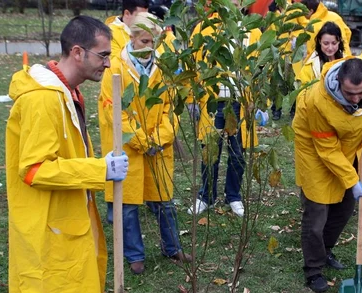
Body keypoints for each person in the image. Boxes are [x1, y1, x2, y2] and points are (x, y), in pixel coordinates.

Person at [5, 16, 128, 293]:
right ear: (77, 52)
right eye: (102, 55)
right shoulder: (43, 100)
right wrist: (99, 169)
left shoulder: (68, 93)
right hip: (47, 233)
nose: (107, 63)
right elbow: (33, 169)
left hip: (64, 226)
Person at [98, 12, 191, 276]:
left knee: (164, 200)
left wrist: (159, 139)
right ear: (132, 38)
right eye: (145, 41)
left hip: (159, 148)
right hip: (127, 147)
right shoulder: (115, 68)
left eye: (154, 42)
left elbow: (171, 110)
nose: (149, 47)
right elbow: (114, 111)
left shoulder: (163, 68)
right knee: (126, 205)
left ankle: (172, 248)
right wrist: (141, 140)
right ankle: (135, 255)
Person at [293, 42, 362, 293]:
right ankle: (313, 269)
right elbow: (327, 150)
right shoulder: (318, 102)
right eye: (350, 94)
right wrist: (352, 179)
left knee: (345, 207)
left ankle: (324, 251)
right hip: (315, 149)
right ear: (339, 84)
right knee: (317, 211)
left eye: (361, 92)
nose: (356, 98)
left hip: (347, 147)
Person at [187, 2, 268, 218]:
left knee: (238, 153)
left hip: (240, 102)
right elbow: (192, 64)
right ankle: (206, 196)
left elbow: (261, 67)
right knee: (209, 152)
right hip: (212, 102)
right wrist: (191, 98)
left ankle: (233, 196)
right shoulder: (204, 29)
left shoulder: (253, 31)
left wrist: (260, 101)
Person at [296, 21, 346, 86]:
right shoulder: (311, 65)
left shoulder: (346, 60)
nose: (330, 48)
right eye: (326, 43)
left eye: (334, 43)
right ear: (319, 41)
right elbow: (302, 89)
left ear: (339, 41)